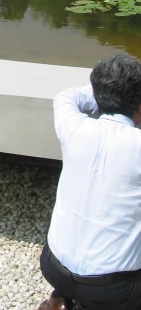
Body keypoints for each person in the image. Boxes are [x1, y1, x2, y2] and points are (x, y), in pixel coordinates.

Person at [38, 54, 141, 310]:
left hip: (53, 267)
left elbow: (65, 96)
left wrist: (106, 91)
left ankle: (60, 300)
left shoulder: (73, 128)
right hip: (113, 291)